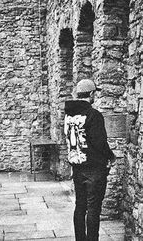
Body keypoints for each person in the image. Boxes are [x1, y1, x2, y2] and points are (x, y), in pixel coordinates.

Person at [64, 79, 116, 241]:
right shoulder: (94, 115)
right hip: (94, 168)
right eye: (95, 93)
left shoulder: (69, 115)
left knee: (80, 207)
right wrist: (110, 156)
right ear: (91, 94)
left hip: (77, 166)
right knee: (93, 209)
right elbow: (100, 142)